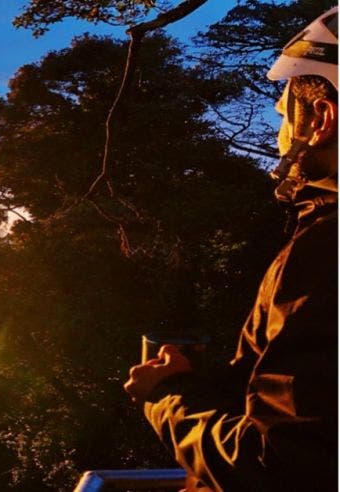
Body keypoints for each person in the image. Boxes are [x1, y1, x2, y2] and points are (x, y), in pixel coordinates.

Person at [123, 7, 338, 491]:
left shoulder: (327, 253)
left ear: (322, 118)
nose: (280, 133)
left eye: (284, 116)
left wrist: (168, 397)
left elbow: (278, 469)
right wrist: (216, 385)